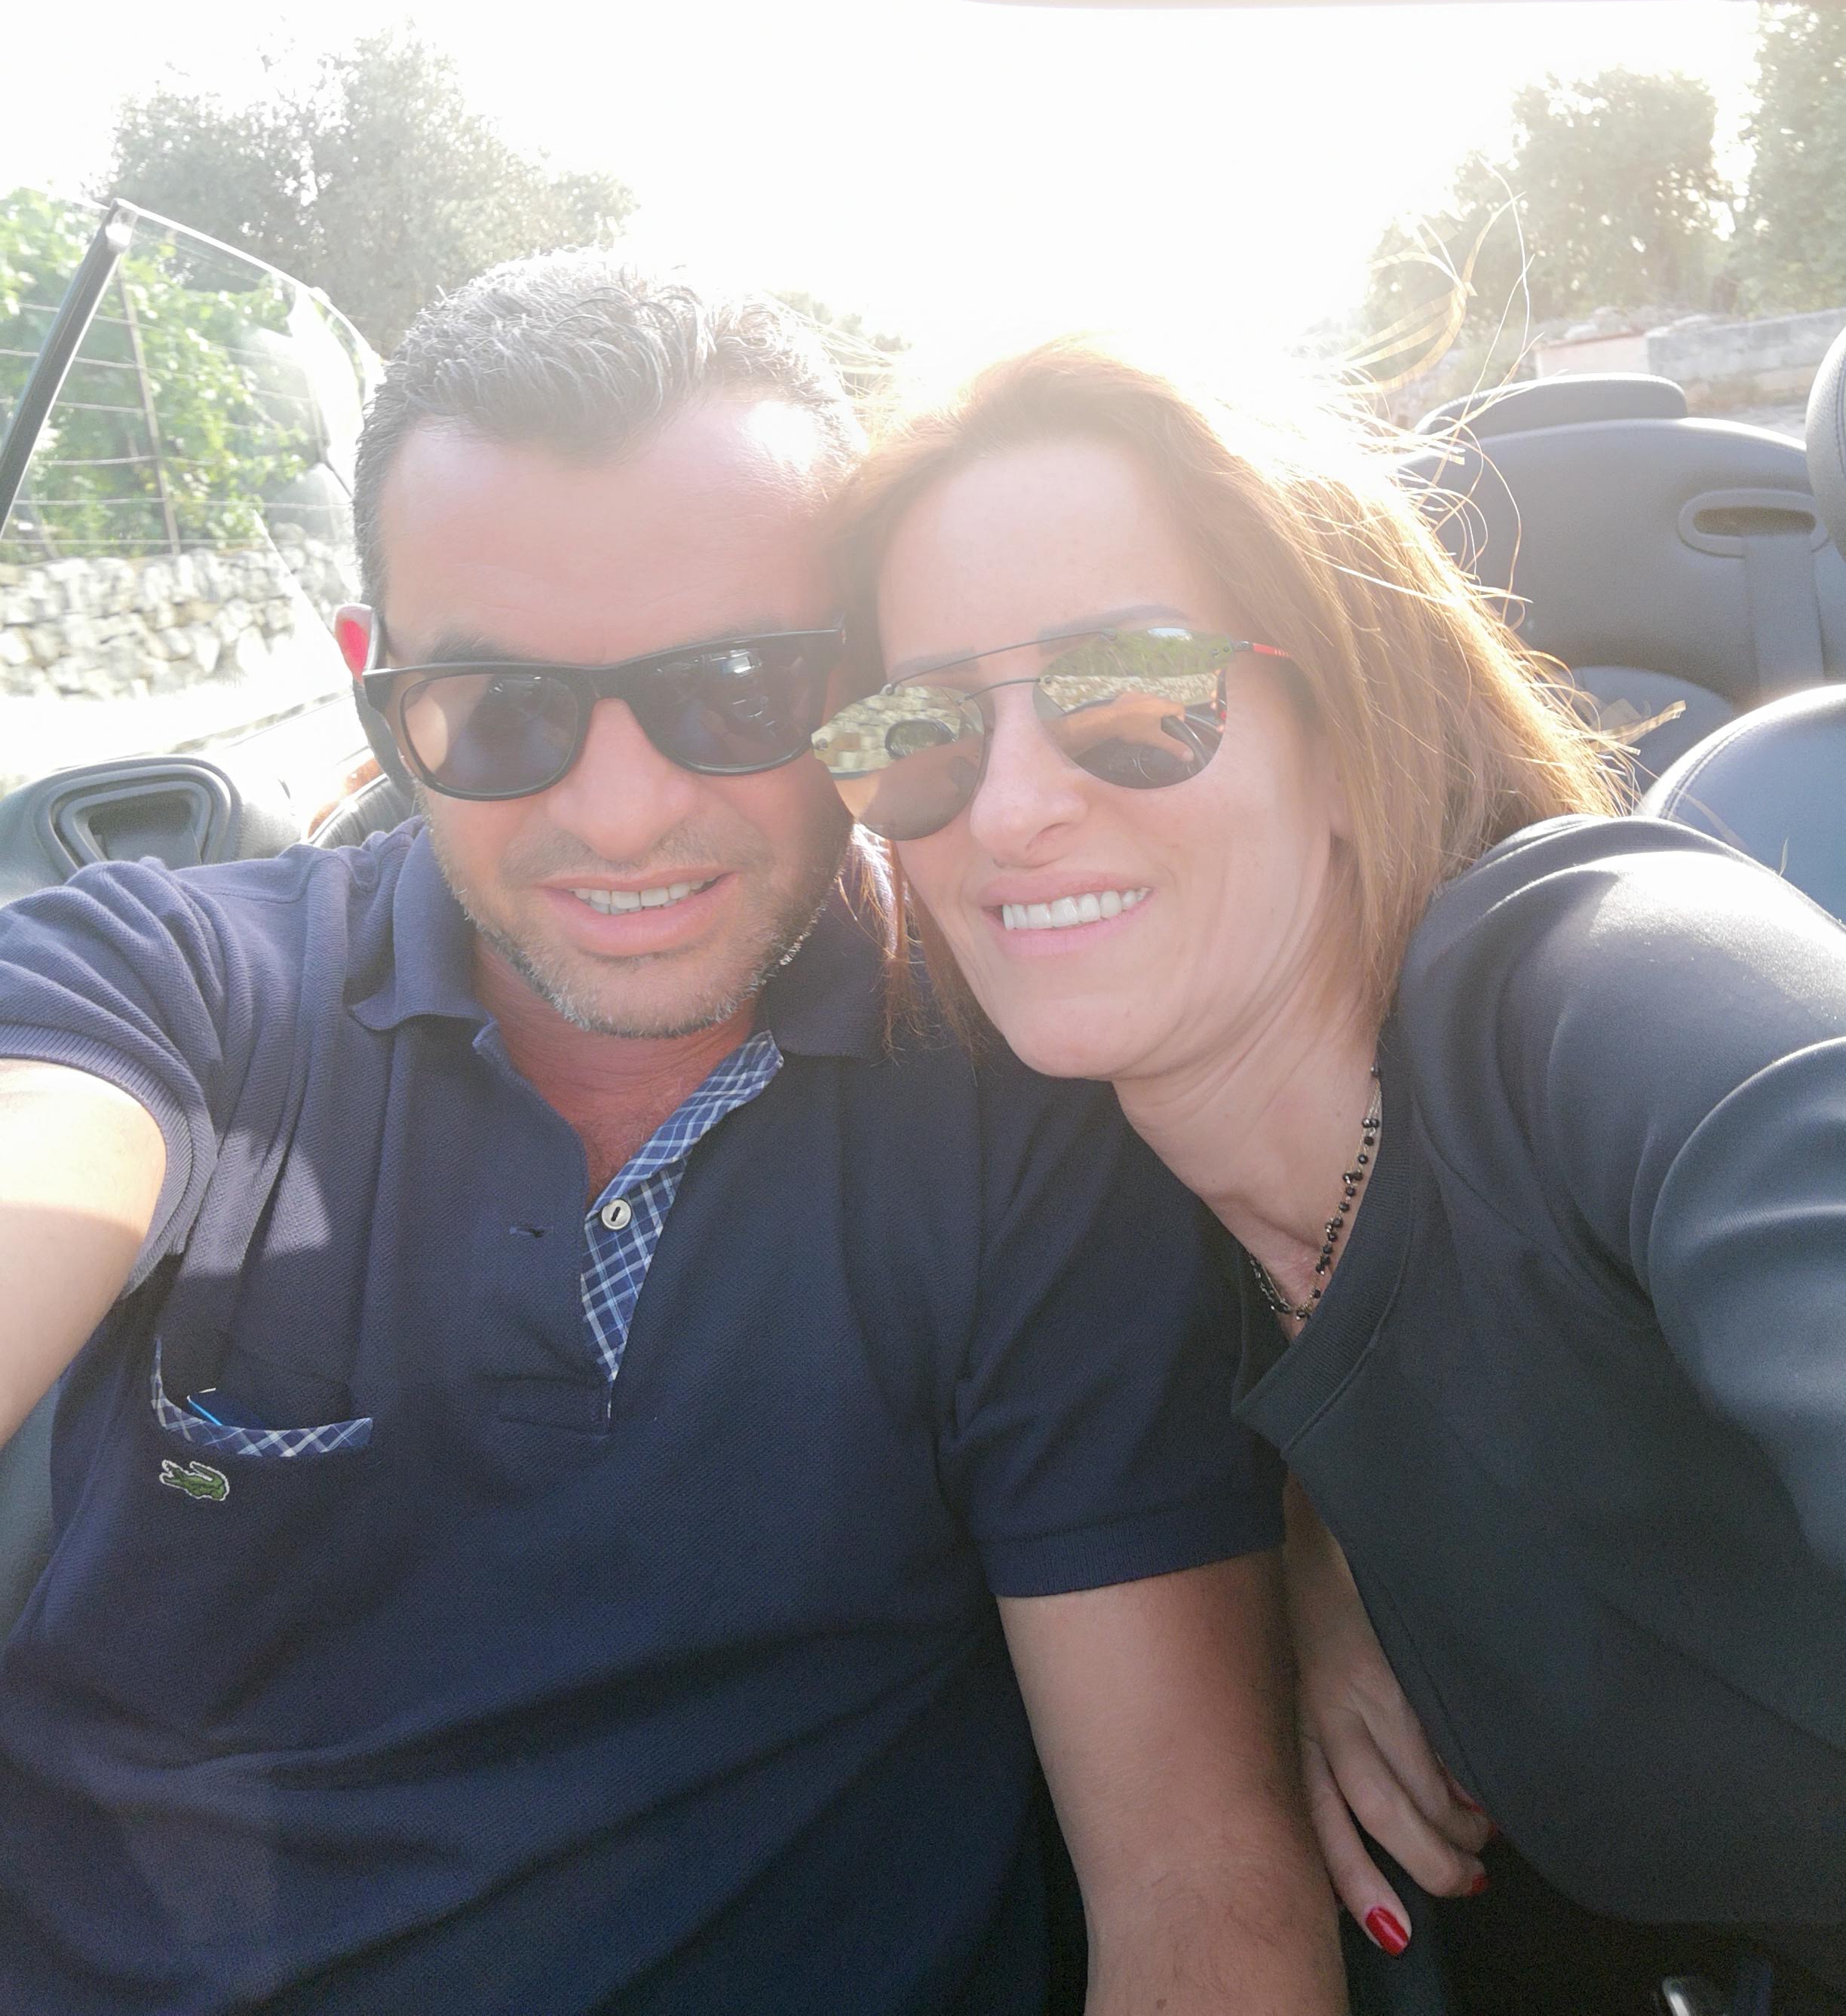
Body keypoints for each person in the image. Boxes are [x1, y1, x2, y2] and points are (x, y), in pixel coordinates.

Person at [0, 269, 1344, 2015]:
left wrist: (1371, 1539)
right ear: (373, 686)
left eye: (738, 690)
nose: (623, 813)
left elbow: (1193, 1883)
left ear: (860, 681)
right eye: (499, 708)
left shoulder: (1017, 1119)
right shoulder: (166, 990)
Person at [819, 339, 1846, 2014]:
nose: (1003, 811)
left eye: (1133, 696)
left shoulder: (1612, 995)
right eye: (917, 732)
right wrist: (1304, 1545)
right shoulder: (1117, 1243)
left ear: (1350, 715)